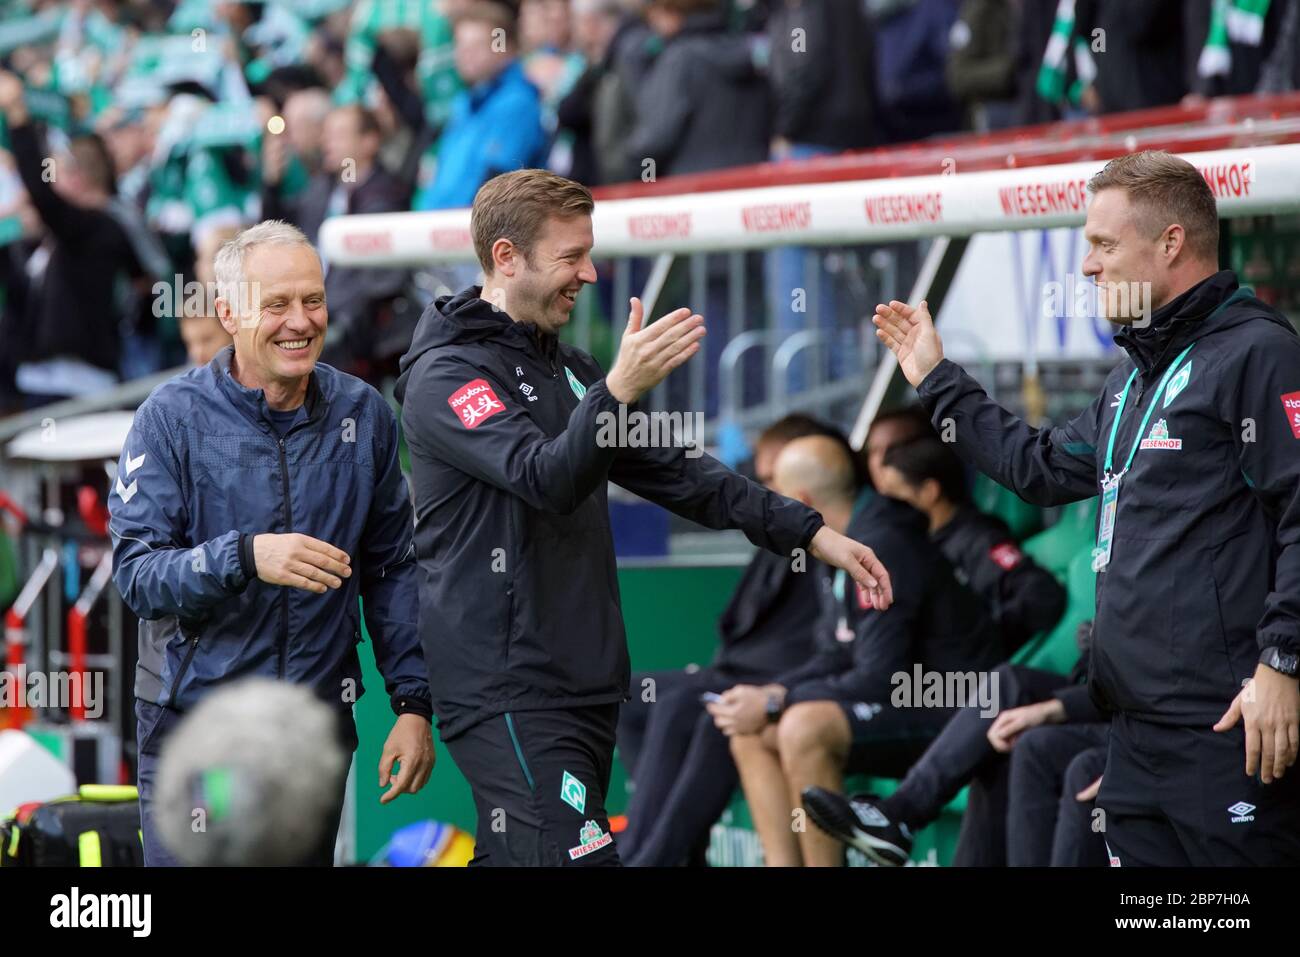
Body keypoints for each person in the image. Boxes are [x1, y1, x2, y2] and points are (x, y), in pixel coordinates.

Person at [394, 168, 892, 866]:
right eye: (571, 257)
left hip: (584, 682)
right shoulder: (445, 376)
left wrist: (810, 530)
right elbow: (547, 478)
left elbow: (682, 474)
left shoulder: (569, 367)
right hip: (508, 685)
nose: (589, 273)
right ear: (506, 258)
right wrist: (617, 391)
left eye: (588, 253)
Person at [874, 149, 1300, 865]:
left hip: (1226, 725)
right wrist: (938, 381)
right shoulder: (1133, 378)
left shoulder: (1260, 353)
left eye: (1104, 245)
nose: (1088, 268)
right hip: (1133, 732)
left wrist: (1283, 662)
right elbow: (1036, 468)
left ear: (1170, 242)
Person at [109, 221, 435, 866]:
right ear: (228, 313)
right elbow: (138, 575)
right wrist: (247, 556)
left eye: (312, 300)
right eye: (276, 304)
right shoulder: (170, 418)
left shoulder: (363, 414)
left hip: (308, 736)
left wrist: (413, 701)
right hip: (199, 731)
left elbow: (395, 567)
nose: (300, 321)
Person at [722, 434, 999, 866]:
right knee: (749, 731)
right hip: (894, 699)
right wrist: (768, 694)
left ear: (801, 498)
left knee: (802, 725)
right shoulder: (829, 540)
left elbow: (879, 677)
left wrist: (778, 699)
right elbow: (836, 654)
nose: (769, 508)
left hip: (950, 706)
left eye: (774, 494)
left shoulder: (881, 544)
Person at [618, 414, 845, 866]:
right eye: (763, 479)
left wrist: (773, 692)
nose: (768, 491)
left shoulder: (833, 537)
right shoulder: (779, 535)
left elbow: (831, 651)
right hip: (736, 672)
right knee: (627, 695)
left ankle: (655, 855)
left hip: (777, 682)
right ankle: (647, 844)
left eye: (773, 479)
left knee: (692, 705)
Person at [875, 434, 1065, 656]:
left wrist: (978, 636)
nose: (885, 509)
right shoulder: (919, 544)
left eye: (895, 498)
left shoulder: (978, 541)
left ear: (929, 492)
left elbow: (1041, 596)